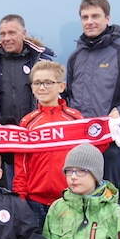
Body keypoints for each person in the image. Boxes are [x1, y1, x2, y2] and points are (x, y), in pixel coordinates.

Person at [65, 0, 120, 190]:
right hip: (81, 142)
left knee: (111, 196)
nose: (90, 22)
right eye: (85, 17)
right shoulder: (75, 57)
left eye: (95, 16)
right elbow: (69, 96)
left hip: (113, 144)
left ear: (108, 18)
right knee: (82, 196)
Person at [12, 61, 85, 230]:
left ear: (61, 86)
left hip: (69, 199)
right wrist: (20, 196)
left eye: (48, 83)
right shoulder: (27, 122)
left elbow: (87, 157)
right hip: (34, 201)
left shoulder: (75, 119)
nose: (42, 88)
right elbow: (21, 164)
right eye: (37, 83)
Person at [0, 14, 55, 125]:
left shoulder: (42, 62)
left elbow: (54, 98)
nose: (6, 38)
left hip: (34, 128)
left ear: (23, 34)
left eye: (12, 33)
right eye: (3, 34)